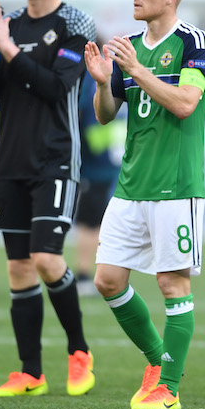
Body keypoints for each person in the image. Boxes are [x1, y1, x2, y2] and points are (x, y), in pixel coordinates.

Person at [84, 0, 205, 409]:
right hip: (130, 185)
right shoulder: (128, 47)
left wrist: (137, 70)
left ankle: (169, 389)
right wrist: (104, 83)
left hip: (175, 187)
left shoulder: (195, 42)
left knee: (171, 284)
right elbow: (105, 113)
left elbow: (185, 103)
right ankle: (157, 361)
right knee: (107, 280)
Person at [0, 0, 96, 398]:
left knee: (47, 259)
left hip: (55, 160)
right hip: (10, 162)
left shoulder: (74, 24)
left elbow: (55, 87)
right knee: (19, 270)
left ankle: (80, 352)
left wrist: (6, 48)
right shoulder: (13, 27)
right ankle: (30, 373)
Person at [73, 76, 121, 297]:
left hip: (99, 165)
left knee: (92, 222)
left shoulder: (91, 82)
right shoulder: (93, 83)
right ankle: (85, 275)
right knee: (92, 223)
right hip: (98, 165)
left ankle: (87, 274)